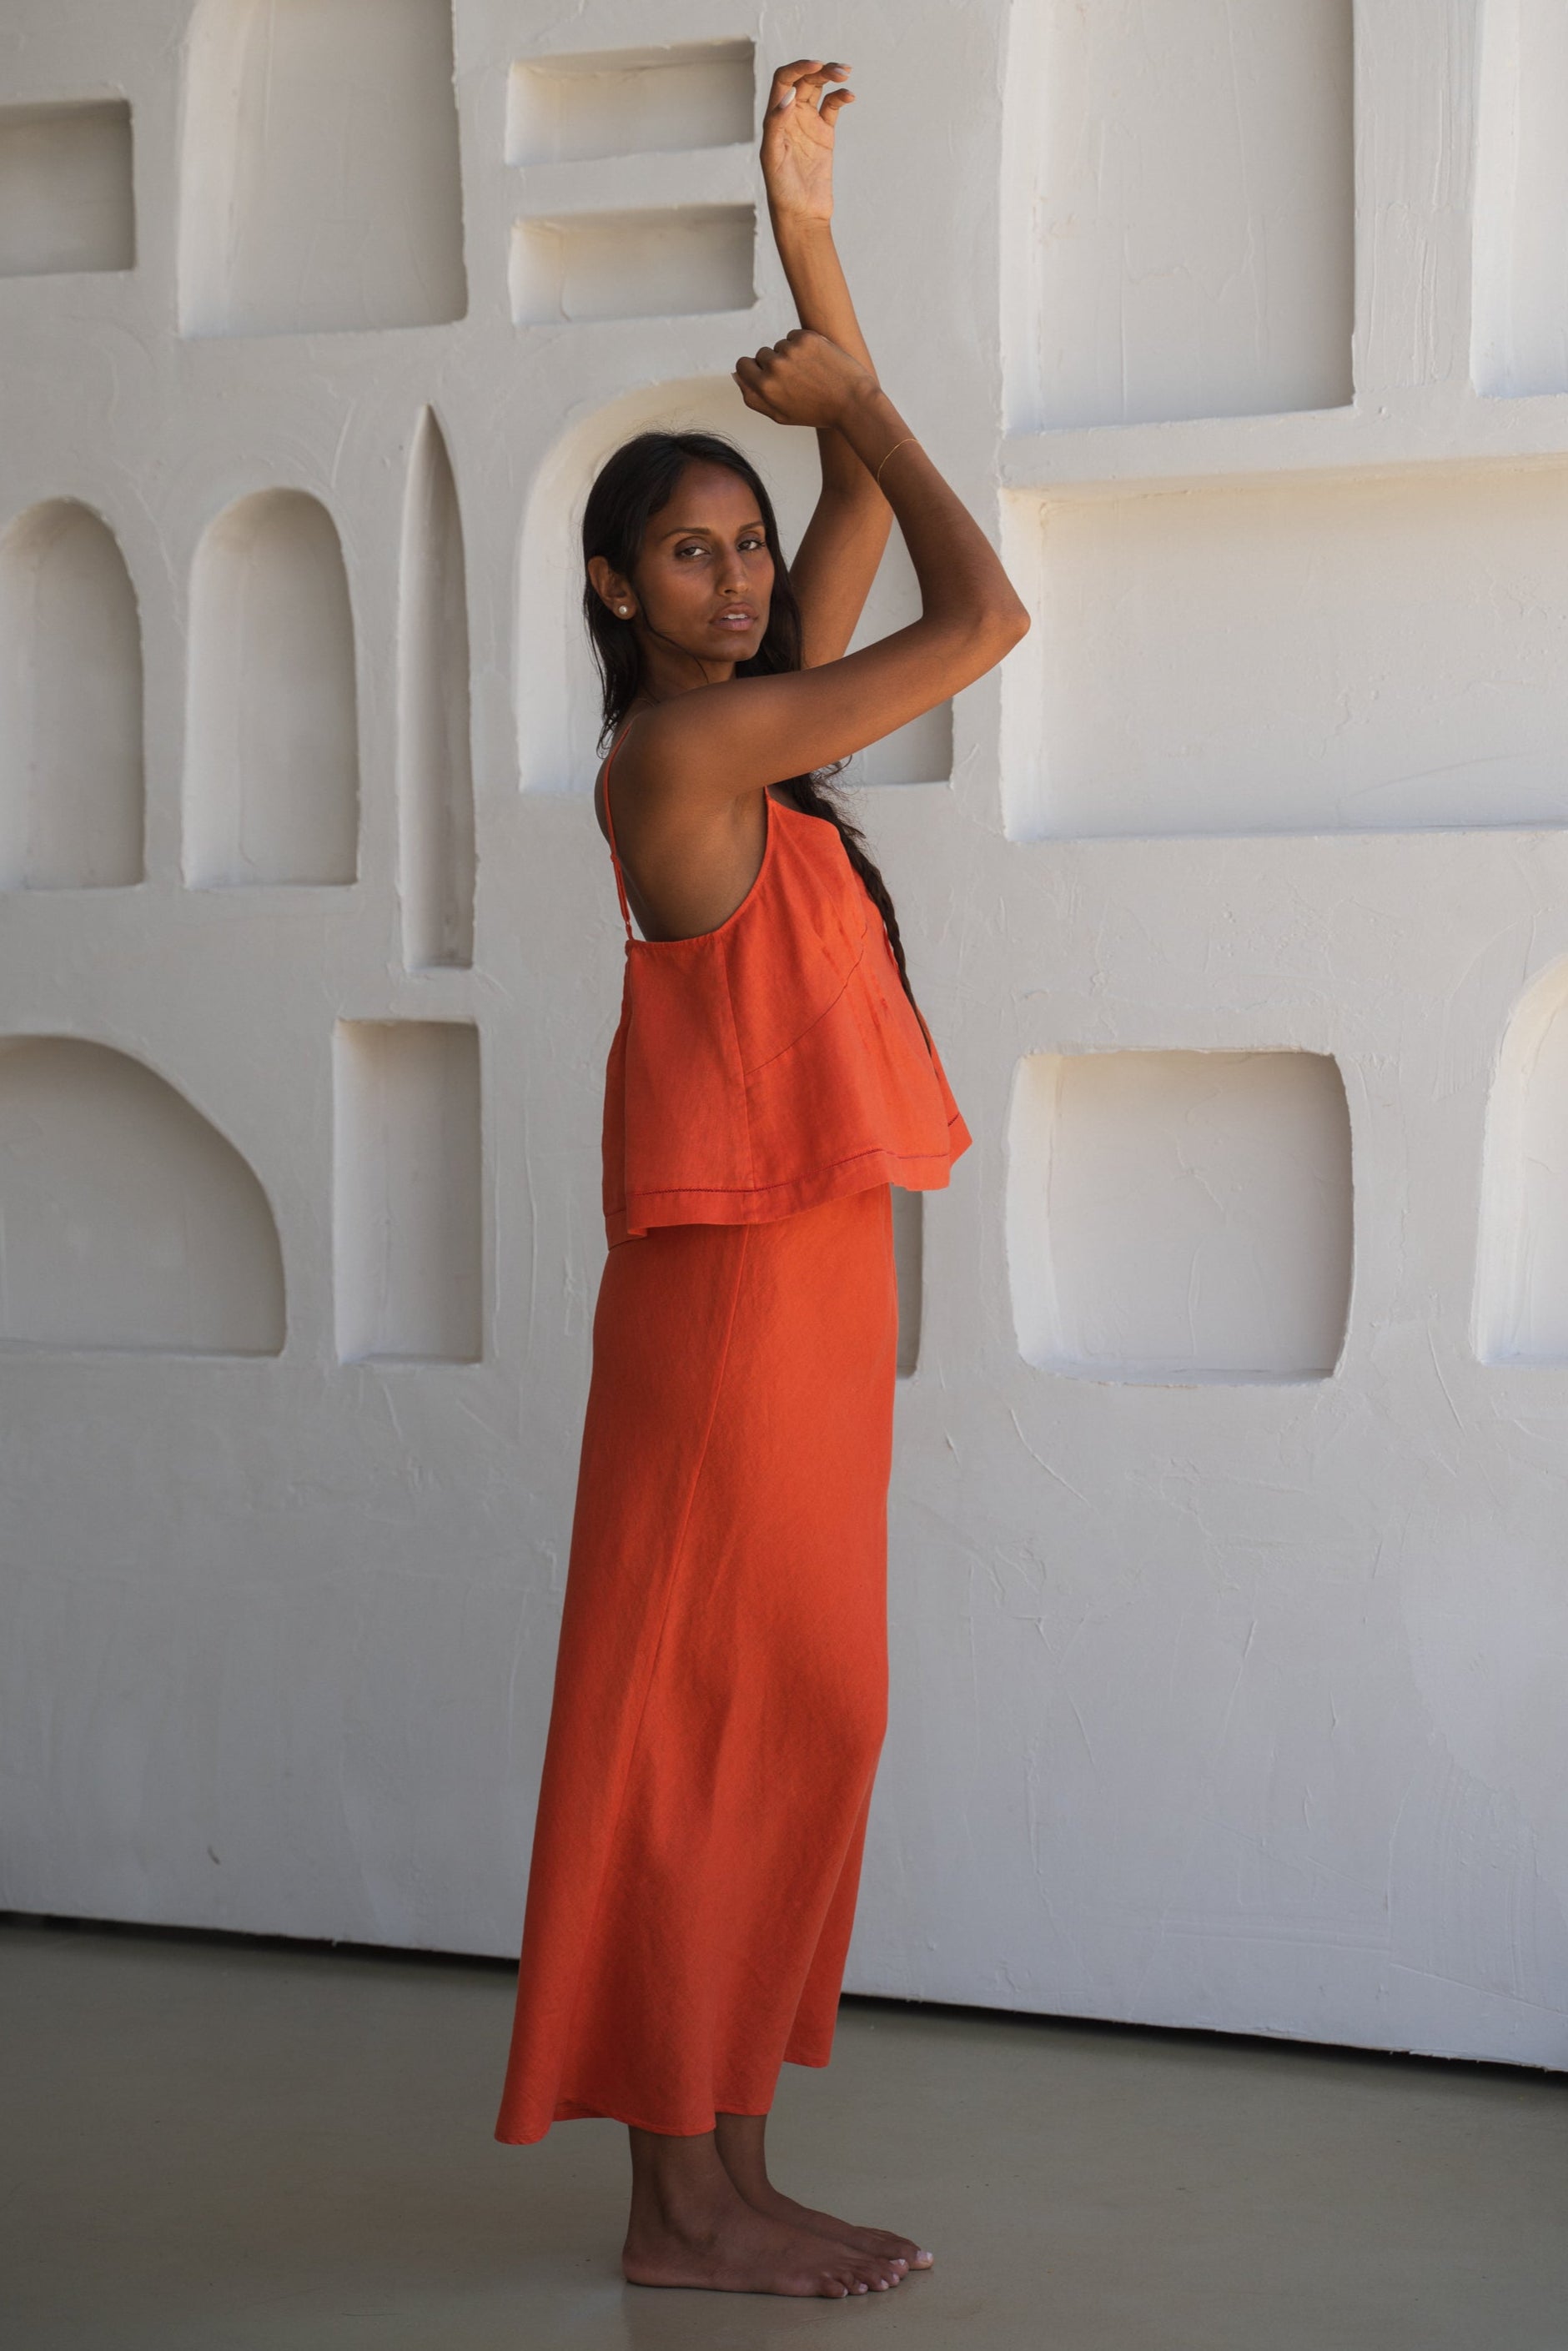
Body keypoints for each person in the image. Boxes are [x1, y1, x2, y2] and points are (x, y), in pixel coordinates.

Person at [494, 59, 1028, 2299]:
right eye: (689, 550)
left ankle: (729, 2171)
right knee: (695, 1729)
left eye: (739, 544)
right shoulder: (687, 753)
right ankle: (668, 2204)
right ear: (616, 590)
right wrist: (874, 412)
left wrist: (810, 235)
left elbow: (850, 513)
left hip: (811, 1324)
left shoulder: (766, 737)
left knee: (802, 1721)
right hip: (722, 1333)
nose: (731, 579)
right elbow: (978, 609)